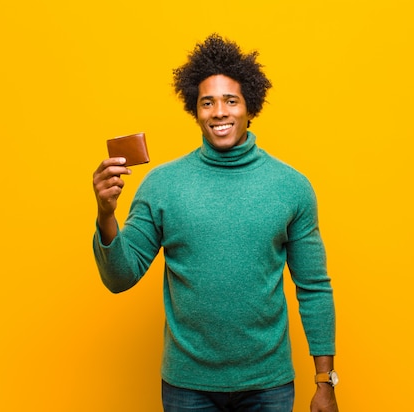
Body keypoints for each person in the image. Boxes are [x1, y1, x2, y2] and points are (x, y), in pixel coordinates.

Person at [92, 33, 338, 412]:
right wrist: (106, 215)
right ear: (196, 111)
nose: (219, 111)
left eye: (230, 101)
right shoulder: (162, 185)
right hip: (187, 387)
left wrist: (325, 381)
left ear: (249, 107)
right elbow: (120, 277)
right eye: (208, 102)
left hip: (268, 386)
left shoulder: (291, 186)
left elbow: (314, 287)